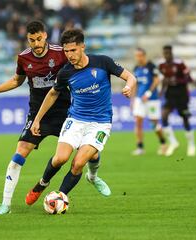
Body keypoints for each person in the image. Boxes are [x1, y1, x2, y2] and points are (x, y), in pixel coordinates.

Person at [0, 21, 103, 215]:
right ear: (28, 39)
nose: (36, 43)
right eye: (32, 40)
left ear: (45, 35)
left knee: (90, 151)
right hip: (37, 114)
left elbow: (79, 67)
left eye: (39, 38)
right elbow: (17, 80)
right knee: (19, 155)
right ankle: (5, 204)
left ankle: (93, 176)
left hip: (66, 112)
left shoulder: (60, 53)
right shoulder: (23, 58)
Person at [25, 29, 137, 205]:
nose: (69, 55)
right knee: (60, 158)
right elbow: (53, 94)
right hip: (76, 120)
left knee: (78, 163)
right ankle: (42, 184)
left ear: (82, 47)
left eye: (73, 50)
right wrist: (37, 119)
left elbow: (130, 77)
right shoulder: (65, 72)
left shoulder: (102, 62)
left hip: (100, 123)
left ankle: (61, 196)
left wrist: (129, 86)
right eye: (66, 51)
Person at [159, 45, 196, 157]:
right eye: (165, 53)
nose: (167, 55)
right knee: (164, 116)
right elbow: (164, 80)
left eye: (168, 53)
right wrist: (161, 91)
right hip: (170, 94)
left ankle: (191, 144)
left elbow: (189, 78)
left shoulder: (180, 64)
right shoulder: (162, 65)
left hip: (181, 94)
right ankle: (173, 142)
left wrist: (177, 80)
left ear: (172, 53)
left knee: (185, 118)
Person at [132, 48, 166, 156]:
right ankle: (140, 147)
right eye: (136, 56)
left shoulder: (151, 66)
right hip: (139, 99)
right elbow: (135, 84)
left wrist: (148, 94)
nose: (138, 58)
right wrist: (133, 99)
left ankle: (163, 143)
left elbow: (156, 80)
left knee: (154, 124)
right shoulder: (136, 68)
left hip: (152, 100)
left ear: (144, 55)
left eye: (140, 55)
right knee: (138, 121)